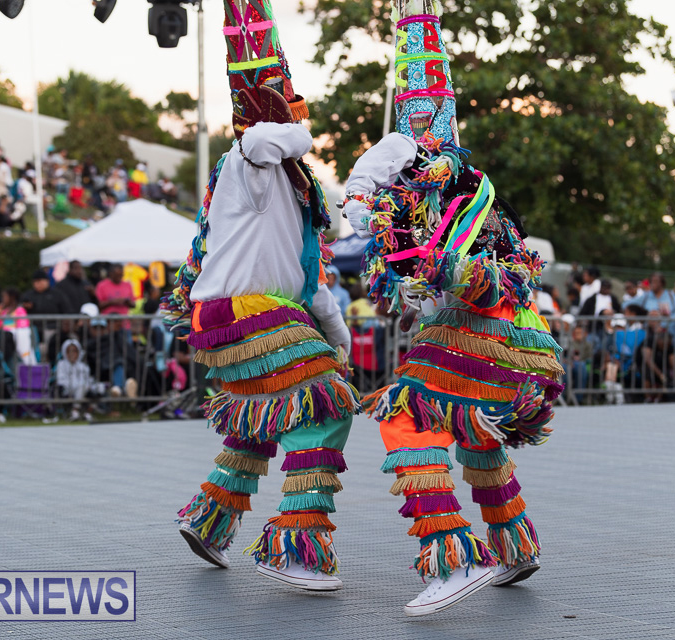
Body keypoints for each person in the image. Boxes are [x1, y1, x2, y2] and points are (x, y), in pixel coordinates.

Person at [342, 0, 562, 616]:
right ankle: (514, 543)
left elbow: (443, 261)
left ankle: (456, 558)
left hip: (484, 329)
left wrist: (373, 207)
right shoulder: (469, 183)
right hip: (514, 341)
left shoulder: (437, 179)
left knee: (405, 417)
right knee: (475, 432)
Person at [162, 0, 359, 593]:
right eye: (287, 100)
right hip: (245, 314)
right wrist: (290, 121)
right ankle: (296, 545)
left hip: (249, 316)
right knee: (324, 404)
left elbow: (310, 285)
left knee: (265, 412)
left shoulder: (297, 198)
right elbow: (268, 140)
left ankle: (211, 518)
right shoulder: (246, 162)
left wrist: (340, 336)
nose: (297, 112)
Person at [55, 339, 103, 421]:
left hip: (84, 389)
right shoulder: (61, 364)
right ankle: (75, 412)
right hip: (68, 390)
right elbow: (60, 381)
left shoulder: (83, 366)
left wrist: (88, 386)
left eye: (74, 351)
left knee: (100, 387)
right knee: (81, 386)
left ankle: (88, 413)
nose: (72, 354)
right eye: (69, 351)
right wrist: (76, 385)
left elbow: (87, 379)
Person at [21, 269, 66, 343]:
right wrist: (26, 307)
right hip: (33, 329)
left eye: (40, 281)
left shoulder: (57, 294)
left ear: (46, 281)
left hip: (52, 328)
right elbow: (20, 309)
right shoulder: (28, 295)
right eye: (35, 281)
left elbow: (65, 309)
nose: (37, 284)